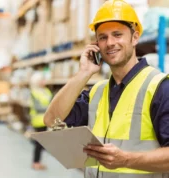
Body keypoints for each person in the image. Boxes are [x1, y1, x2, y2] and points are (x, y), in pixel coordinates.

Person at [44, 0, 169, 177]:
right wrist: (83, 73)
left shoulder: (159, 87)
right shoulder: (97, 92)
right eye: (103, 37)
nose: (110, 43)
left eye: (117, 35)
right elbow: (51, 119)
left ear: (135, 37)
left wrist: (126, 160)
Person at [29, 71, 52, 170]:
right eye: (42, 80)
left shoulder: (47, 91)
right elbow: (38, 107)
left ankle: (38, 162)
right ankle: (36, 162)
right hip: (38, 121)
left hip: (46, 120)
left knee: (42, 143)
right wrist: (50, 108)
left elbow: (53, 101)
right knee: (39, 143)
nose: (44, 81)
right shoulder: (34, 92)